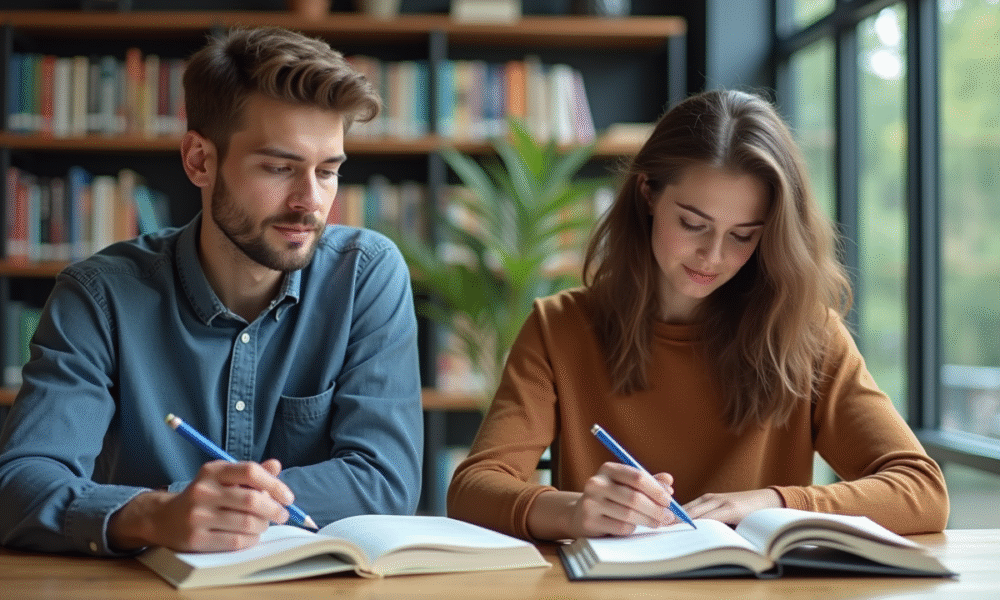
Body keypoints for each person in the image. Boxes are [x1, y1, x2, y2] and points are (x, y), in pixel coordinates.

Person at [447, 89, 949, 541]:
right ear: (647, 195)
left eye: (743, 235)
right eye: (692, 223)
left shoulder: (807, 334)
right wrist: (572, 511)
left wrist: (774, 503)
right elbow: (472, 489)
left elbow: (922, 490)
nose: (712, 256)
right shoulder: (559, 328)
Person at [0, 27, 423, 555]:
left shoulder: (365, 275)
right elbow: (19, 485)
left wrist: (202, 506)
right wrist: (156, 516)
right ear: (200, 160)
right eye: (279, 167)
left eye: (328, 171)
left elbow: (385, 483)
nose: (310, 202)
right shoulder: (99, 296)